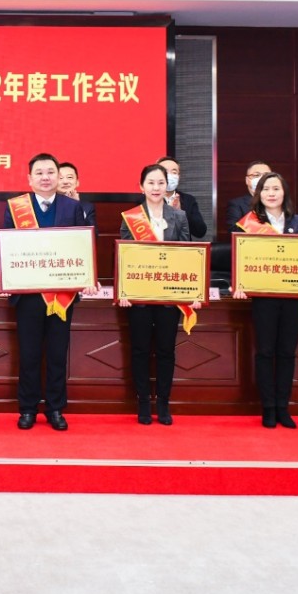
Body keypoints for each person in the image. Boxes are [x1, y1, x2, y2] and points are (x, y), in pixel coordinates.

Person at [2, 153, 91, 431]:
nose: (45, 177)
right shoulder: (16, 207)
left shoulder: (72, 207)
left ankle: (55, 408)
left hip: (61, 295)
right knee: (28, 354)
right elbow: (8, 247)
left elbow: (83, 245)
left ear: (58, 176)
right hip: (28, 294)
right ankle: (27, 408)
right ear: (29, 178)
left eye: (50, 172)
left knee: (56, 354)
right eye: (39, 173)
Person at [231, 172, 298, 429]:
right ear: (258, 194)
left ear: (285, 193)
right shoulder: (249, 223)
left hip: (293, 298)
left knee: (286, 353)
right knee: (265, 352)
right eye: (266, 189)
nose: (271, 193)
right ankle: (268, 408)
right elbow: (242, 258)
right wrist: (240, 283)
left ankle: (283, 407)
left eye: (276, 189)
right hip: (264, 299)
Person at [119, 163, 197, 426]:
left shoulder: (179, 216)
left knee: (166, 350)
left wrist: (192, 291)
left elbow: (187, 254)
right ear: (141, 186)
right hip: (139, 296)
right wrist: (123, 290)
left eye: (160, 183)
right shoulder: (131, 216)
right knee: (140, 350)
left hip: (169, 296)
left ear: (167, 186)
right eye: (150, 183)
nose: (156, 187)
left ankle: (163, 401)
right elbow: (124, 256)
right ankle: (143, 401)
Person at [155, 155, 208, 239]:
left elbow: (200, 232)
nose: (169, 175)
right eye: (165, 171)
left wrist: (181, 213)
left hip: (182, 246)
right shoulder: (147, 200)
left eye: (174, 172)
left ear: (179, 177)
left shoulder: (188, 200)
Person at [225, 160, 271, 233]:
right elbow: (233, 231)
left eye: (266, 175)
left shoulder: (279, 202)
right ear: (247, 180)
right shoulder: (237, 204)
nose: (262, 178)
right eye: (256, 175)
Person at [58, 161, 96, 227]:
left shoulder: (87, 207)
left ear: (77, 182)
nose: (65, 182)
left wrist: (77, 206)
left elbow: (92, 232)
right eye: (60, 178)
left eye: (69, 177)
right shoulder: (48, 204)